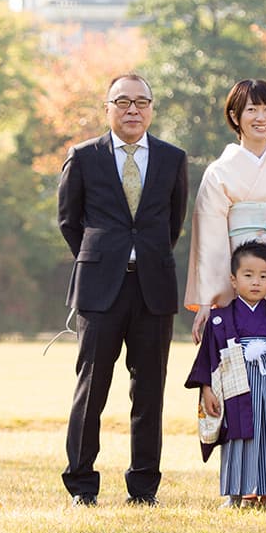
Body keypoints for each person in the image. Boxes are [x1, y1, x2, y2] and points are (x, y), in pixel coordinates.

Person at [57, 73, 189, 507]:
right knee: (91, 388)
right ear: (108, 108)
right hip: (99, 290)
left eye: (141, 101)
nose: (133, 109)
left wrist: (141, 256)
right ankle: (81, 484)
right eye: (123, 101)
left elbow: (173, 223)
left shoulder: (172, 158)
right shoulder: (82, 157)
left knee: (149, 391)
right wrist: (104, 257)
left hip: (153, 287)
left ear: (151, 108)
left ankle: (144, 487)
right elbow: (69, 222)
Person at [184, 78, 266, 494]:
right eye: (251, 110)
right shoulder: (221, 172)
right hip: (241, 290)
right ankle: (246, 479)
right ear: (235, 117)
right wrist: (214, 299)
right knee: (242, 387)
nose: (261, 117)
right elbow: (210, 240)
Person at [185, 240, 266, 510]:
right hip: (236, 391)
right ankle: (237, 493)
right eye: (248, 275)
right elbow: (207, 361)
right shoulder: (219, 319)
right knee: (238, 436)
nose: (256, 282)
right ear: (233, 280)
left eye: (263, 276)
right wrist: (207, 390)